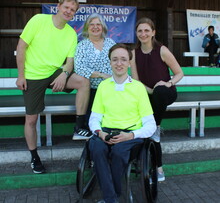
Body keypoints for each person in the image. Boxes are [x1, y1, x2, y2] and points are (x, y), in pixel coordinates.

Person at [16, 0, 90, 174]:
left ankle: (79, 126)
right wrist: (21, 76)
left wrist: (64, 75)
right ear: (58, 6)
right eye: (66, 7)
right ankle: (34, 157)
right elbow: (21, 47)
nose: (68, 12)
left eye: (72, 10)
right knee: (31, 119)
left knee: (83, 82)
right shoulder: (38, 20)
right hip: (33, 75)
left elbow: (70, 61)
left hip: (55, 73)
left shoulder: (71, 33)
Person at [88, 43, 157, 203]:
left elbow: (150, 125)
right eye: (115, 59)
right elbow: (94, 118)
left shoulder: (139, 88)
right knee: (97, 149)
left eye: (123, 59)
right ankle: (112, 198)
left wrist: (131, 135)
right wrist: (100, 133)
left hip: (130, 135)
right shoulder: (103, 87)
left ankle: (111, 197)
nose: (119, 63)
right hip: (106, 132)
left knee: (119, 152)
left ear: (129, 63)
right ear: (110, 62)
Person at [131, 17, 184, 182]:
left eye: (147, 30)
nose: (143, 34)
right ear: (136, 33)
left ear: (153, 32)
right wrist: (149, 90)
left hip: (166, 92)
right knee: (150, 132)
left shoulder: (161, 50)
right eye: (140, 31)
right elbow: (136, 81)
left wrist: (168, 83)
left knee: (159, 97)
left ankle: (156, 126)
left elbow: (180, 73)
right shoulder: (133, 53)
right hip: (147, 94)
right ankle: (158, 169)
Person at [73, 13, 116, 138]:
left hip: (109, 89)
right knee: (92, 125)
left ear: (103, 27)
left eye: (98, 24)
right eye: (92, 24)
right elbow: (79, 68)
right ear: (87, 28)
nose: (95, 27)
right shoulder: (82, 46)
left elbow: (117, 62)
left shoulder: (111, 43)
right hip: (90, 91)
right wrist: (101, 75)